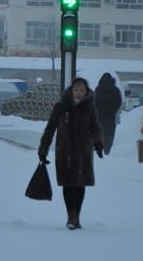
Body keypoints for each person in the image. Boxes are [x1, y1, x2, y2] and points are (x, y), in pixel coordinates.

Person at [37, 77, 104, 230]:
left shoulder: (90, 107)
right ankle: (70, 216)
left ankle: (76, 216)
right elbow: (50, 129)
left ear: (86, 92)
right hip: (65, 150)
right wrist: (43, 149)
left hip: (83, 151)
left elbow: (95, 126)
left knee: (80, 184)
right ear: (71, 91)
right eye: (76, 90)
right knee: (68, 184)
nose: (79, 93)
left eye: (82, 90)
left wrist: (98, 143)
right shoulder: (61, 107)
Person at [94, 72, 123, 156]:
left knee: (100, 134)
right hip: (111, 118)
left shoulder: (98, 89)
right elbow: (119, 102)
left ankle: (100, 151)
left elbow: (94, 102)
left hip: (99, 117)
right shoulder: (116, 90)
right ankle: (107, 151)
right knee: (109, 135)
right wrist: (112, 111)